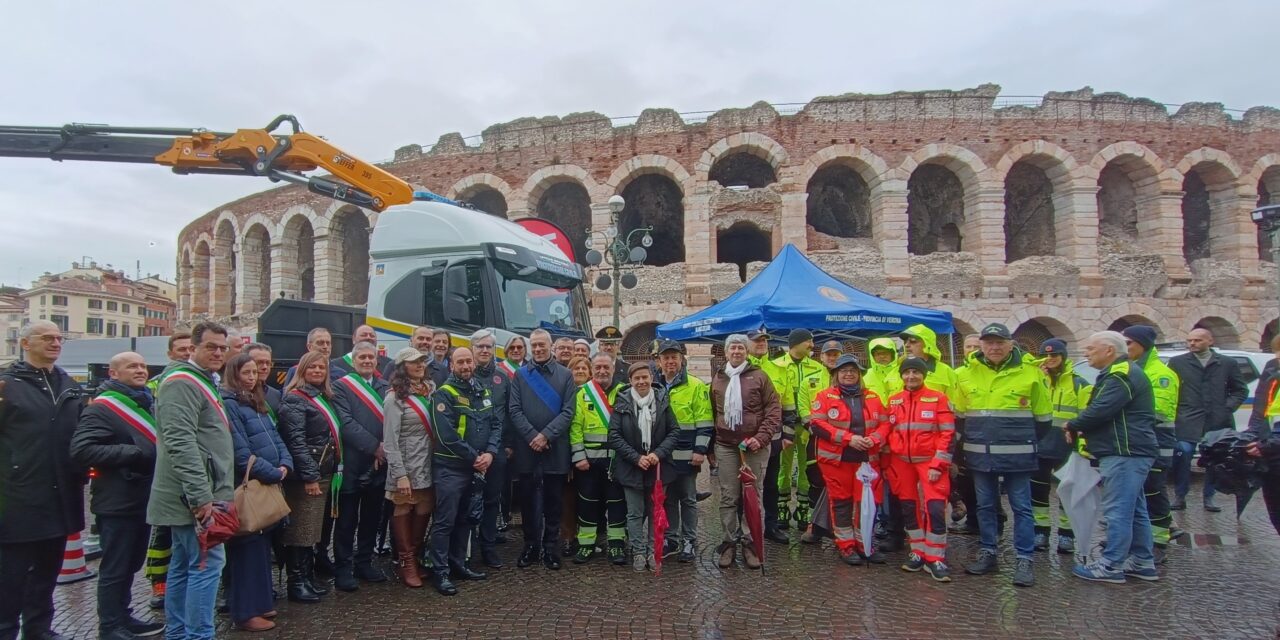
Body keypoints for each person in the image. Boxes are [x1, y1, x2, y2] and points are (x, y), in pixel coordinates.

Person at [148, 321, 235, 640]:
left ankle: (179, 633)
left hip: (200, 492)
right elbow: (180, 441)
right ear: (193, 348)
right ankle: (198, 635)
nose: (218, 353)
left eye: (222, 348)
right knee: (206, 566)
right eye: (211, 346)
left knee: (186, 566)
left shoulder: (200, 380)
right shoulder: (182, 382)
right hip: (195, 497)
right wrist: (201, 496)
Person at [70, 351, 164, 640]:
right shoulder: (102, 408)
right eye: (131, 366)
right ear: (113, 373)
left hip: (141, 498)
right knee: (115, 566)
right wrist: (135, 452)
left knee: (132, 563)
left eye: (142, 366)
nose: (140, 370)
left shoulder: (146, 401)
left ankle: (124, 616)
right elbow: (82, 450)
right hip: (117, 499)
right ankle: (110, 626)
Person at [954, 323, 1050, 588]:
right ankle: (988, 552)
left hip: (1018, 456)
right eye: (989, 343)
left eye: (1000, 343)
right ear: (982, 345)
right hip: (980, 455)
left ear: (1011, 344)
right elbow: (960, 417)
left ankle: (1024, 559)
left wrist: (1020, 440)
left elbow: (1043, 419)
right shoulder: (965, 374)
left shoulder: (1030, 374)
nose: (994, 348)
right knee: (985, 506)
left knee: (1021, 508)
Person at [1066, 331, 1160, 583]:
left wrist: (1073, 424)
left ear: (1109, 350)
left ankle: (1111, 564)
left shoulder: (1120, 374)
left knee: (1118, 509)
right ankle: (1142, 560)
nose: (1086, 354)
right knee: (1134, 508)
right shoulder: (1122, 372)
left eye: (1091, 349)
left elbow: (1101, 410)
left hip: (1124, 451)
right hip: (1131, 450)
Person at [220, 353, 292, 632]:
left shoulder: (255, 401)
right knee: (247, 549)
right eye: (245, 373)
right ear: (233, 375)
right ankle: (246, 611)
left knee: (262, 548)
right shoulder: (229, 404)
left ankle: (260, 603)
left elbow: (275, 437)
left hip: (270, 479)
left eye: (254, 372)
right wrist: (273, 472)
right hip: (250, 484)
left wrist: (285, 463)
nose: (251, 378)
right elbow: (240, 452)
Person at [425, 347, 501, 595]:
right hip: (451, 468)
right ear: (451, 365)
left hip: (477, 468)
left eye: (469, 361)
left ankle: (459, 564)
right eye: (461, 362)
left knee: (466, 519)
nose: (466, 365)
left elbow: (495, 424)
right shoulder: (443, 395)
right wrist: (475, 457)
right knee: (445, 521)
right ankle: (440, 571)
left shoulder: (482, 390)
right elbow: (446, 436)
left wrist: (490, 452)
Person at [808, 355, 889, 565]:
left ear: (860, 375)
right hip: (837, 461)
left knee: (867, 503)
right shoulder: (824, 397)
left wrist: (874, 439)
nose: (849, 374)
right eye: (844, 370)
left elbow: (885, 424)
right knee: (842, 504)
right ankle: (846, 546)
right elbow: (817, 424)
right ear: (836, 374)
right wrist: (848, 439)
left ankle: (865, 545)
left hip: (867, 460)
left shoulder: (873, 397)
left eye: (853, 370)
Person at [710, 334, 782, 569]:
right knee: (729, 496)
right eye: (733, 347)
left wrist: (760, 438)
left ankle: (751, 544)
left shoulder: (760, 376)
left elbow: (773, 410)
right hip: (726, 445)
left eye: (741, 347)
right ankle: (729, 543)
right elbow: (713, 413)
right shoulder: (718, 378)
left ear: (747, 351)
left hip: (754, 446)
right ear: (726, 351)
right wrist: (712, 446)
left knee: (752, 496)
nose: (737, 351)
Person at [509, 329, 577, 570]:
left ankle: (550, 547)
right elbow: (514, 410)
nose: (538, 349)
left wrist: (546, 435)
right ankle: (530, 546)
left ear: (551, 346)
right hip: (528, 449)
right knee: (527, 502)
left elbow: (568, 412)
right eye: (534, 345)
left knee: (553, 502)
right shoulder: (520, 375)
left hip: (555, 448)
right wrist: (532, 437)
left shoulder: (566, 375)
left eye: (542, 345)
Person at [277, 351, 341, 603]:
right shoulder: (295, 400)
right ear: (302, 370)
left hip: (323, 471)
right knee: (301, 531)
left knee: (312, 530)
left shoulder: (323, 397)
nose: (317, 371)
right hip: (307, 477)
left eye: (321, 368)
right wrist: (310, 476)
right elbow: (296, 442)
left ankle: (306, 578)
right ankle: (296, 583)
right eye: (311, 367)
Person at [887, 357, 956, 581]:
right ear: (901, 376)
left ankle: (935, 558)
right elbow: (888, 431)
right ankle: (917, 551)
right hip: (902, 462)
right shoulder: (895, 400)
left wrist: (939, 464)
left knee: (935, 507)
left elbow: (948, 434)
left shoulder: (938, 398)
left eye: (916, 372)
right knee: (908, 507)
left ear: (923, 375)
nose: (911, 376)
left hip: (930, 461)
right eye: (907, 373)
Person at [609, 362, 681, 571]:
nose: (641, 382)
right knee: (634, 512)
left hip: (658, 467)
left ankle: (653, 550)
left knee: (655, 511)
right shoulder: (622, 402)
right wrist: (635, 457)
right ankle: (638, 551)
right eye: (636, 378)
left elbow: (674, 431)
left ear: (651, 378)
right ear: (630, 381)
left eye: (644, 377)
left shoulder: (662, 401)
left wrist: (658, 454)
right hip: (631, 466)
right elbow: (614, 435)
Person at [330, 342, 390, 591]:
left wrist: (384, 448)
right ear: (353, 360)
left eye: (371, 357)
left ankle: (364, 562)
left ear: (377, 360)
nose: (367, 361)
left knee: (371, 517)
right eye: (362, 357)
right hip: (353, 462)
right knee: (346, 521)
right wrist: (375, 446)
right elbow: (346, 423)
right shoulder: (341, 386)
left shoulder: (385, 387)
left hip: (380, 464)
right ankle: (343, 567)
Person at [1167, 327, 1247, 513]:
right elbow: (1171, 389)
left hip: (1217, 420)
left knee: (1212, 459)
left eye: (1197, 340)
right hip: (1187, 419)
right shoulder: (1177, 362)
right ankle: (1180, 495)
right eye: (1190, 340)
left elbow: (1240, 390)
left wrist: (1226, 407)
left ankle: (1209, 497)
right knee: (1183, 454)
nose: (1192, 344)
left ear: (1210, 341)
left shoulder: (1227, 363)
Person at [1120, 326, 1180, 559]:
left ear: (1142, 345)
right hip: (1137, 440)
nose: (1126, 349)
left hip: (1157, 441)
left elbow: (1159, 412)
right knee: (1137, 491)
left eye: (1129, 344)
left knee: (1153, 489)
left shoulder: (1160, 374)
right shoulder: (1132, 369)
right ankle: (1138, 539)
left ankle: (1159, 542)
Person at [145, 331, 193, 610]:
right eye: (181, 349)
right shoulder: (159, 383)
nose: (187, 352)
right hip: (166, 468)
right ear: (170, 354)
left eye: (190, 348)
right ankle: (158, 583)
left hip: (183, 467)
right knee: (162, 533)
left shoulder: (203, 379)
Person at [654, 339, 713, 562]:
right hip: (663, 455)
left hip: (688, 454)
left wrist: (700, 450)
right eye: (666, 357)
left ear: (681, 359)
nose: (670, 361)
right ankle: (672, 538)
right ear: (659, 361)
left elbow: (705, 422)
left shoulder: (696, 386)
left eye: (674, 357)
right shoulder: (655, 385)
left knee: (688, 498)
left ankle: (689, 540)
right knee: (667, 499)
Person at [382, 348, 436, 588]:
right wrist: (400, 475)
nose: (420, 365)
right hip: (406, 462)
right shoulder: (394, 398)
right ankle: (406, 562)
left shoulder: (431, 391)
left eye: (422, 361)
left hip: (428, 461)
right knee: (404, 508)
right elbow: (390, 441)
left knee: (424, 506)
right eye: (414, 362)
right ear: (403, 366)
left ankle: (415, 554)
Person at [1029, 339, 1088, 555]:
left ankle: (1066, 535)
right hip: (1040, 446)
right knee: (1037, 493)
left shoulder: (1078, 383)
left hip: (1066, 448)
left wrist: (1081, 445)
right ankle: (1040, 532)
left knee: (1068, 493)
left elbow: (1086, 417)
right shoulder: (1036, 381)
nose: (1050, 360)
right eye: (1046, 356)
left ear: (1063, 357)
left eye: (1054, 356)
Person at [569, 354, 627, 565]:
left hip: (617, 461)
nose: (602, 371)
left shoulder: (625, 392)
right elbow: (575, 427)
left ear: (613, 369)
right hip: (589, 462)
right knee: (587, 503)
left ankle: (617, 544)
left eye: (606, 367)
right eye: (598, 367)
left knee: (617, 503)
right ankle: (586, 545)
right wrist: (579, 456)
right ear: (592, 369)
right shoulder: (582, 393)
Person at [774, 330, 829, 542]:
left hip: (808, 428)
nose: (812, 344)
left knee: (807, 469)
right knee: (783, 468)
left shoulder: (818, 368)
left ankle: (803, 510)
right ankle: (782, 508)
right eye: (808, 340)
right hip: (784, 427)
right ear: (795, 343)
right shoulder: (777, 365)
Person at [745, 330, 796, 542]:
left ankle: (771, 525)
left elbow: (789, 406)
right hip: (746, 440)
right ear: (747, 344)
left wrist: (788, 435)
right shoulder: (739, 368)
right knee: (746, 485)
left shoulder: (779, 369)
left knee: (771, 484)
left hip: (773, 439)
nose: (761, 344)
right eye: (756, 341)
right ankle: (747, 528)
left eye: (764, 340)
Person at [468, 329, 511, 569]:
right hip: (468, 452)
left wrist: (507, 446)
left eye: (488, 347)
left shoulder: (502, 378)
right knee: (467, 500)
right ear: (472, 349)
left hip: (496, 450)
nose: (484, 350)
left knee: (492, 500)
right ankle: (466, 548)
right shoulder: (463, 374)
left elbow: (509, 413)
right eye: (480, 346)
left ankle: (487, 547)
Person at [561, 356, 593, 557]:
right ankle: (567, 537)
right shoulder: (563, 393)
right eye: (575, 368)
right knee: (568, 499)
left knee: (589, 499)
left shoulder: (596, 394)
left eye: (584, 368)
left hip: (592, 456)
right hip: (567, 454)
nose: (580, 370)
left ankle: (588, 537)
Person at [243, 343, 282, 414]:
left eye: (268, 363)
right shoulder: (234, 394)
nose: (265, 367)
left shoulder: (276, 394)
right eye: (259, 362)